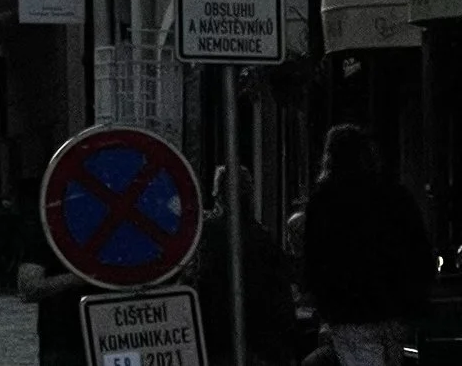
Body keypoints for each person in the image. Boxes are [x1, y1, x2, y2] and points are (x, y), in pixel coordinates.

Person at [300, 124, 433, 366]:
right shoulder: (394, 196)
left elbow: (315, 258)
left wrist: (323, 301)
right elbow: (418, 250)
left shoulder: (325, 201)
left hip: (350, 311)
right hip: (392, 308)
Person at [183, 164, 298, 366]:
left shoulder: (206, 235)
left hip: (215, 342)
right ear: (249, 196)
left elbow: (195, 282)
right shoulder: (263, 239)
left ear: (218, 196)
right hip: (258, 344)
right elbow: (282, 297)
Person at [16, 204, 86, 366]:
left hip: (111, 331)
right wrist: (78, 278)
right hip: (63, 336)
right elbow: (29, 288)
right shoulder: (51, 231)